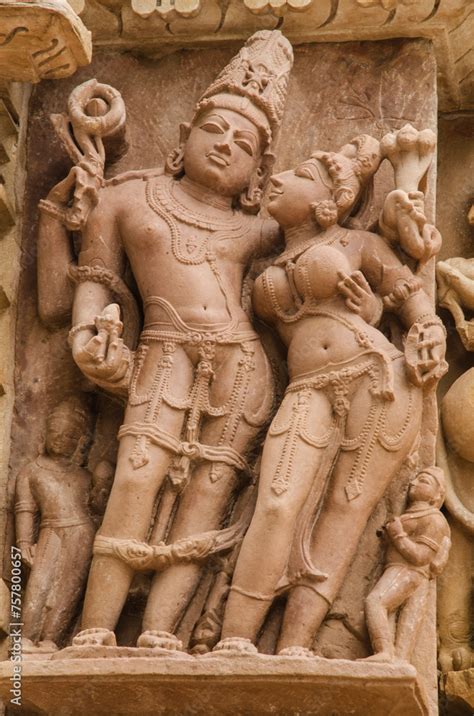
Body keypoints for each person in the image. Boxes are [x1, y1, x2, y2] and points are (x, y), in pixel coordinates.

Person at [38, 30, 294, 651]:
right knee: (136, 476)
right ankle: (95, 629)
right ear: (182, 138)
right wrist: (88, 341)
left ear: (260, 172)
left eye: (246, 144)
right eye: (215, 129)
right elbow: (89, 289)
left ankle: (160, 633)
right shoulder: (128, 201)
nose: (227, 144)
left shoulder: (256, 229)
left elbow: (320, 225)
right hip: (161, 353)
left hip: (240, 370)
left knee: (206, 493)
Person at [215, 134, 447, 655]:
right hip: (308, 387)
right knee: (277, 502)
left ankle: (296, 644)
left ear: (331, 200)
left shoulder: (357, 244)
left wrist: (426, 330)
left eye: (297, 175)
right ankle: (235, 639)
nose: (276, 179)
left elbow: (412, 298)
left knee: (345, 514)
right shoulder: (264, 259)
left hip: (380, 381)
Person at [15, 398, 95, 653]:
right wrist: (24, 542)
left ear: (79, 441)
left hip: (82, 532)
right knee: (39, 584)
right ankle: (26, 637)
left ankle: (51, 639)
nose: (61, 439)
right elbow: (25, 509)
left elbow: (97, 508)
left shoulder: (84, 476)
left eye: (69, 436)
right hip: (50, 530)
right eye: (55, 433)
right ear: (45, 434)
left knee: (68, 590)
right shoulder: (31, 471)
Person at [364, 467, 450, 663]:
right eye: (415, 480)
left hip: (408, 571)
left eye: (424, 481)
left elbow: (421, 556)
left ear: (437, 495)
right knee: (398, 623)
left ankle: (384, 652)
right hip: (398, 569)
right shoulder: (412, 515)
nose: (413, 483)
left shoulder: (433, 519)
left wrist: (397, 535)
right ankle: (397, 660)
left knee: (376, 602)